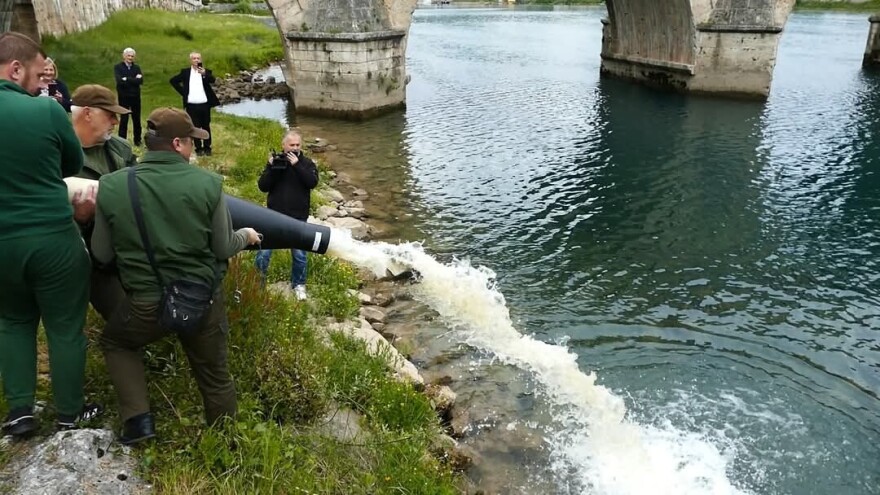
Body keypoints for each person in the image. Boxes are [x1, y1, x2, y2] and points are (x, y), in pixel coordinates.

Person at [92, 107, 261, 445]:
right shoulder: (208, 184)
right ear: (178, 143)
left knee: (117, 342)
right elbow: (222, 247)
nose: (194, 148)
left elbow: (101, 254)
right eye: (192, 142)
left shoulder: (112, 185)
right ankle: (224, 441)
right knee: (214, 374)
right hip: (201, 300)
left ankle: (138, 422)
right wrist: (246, 235)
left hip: (145, 303)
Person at [0, 32, 102, 438]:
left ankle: (20, 412)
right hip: (51, 237)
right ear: (16, 69)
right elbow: (71, 162)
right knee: (64, 326)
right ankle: (69, 413)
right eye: (38, 73)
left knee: (12, 321)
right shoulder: (45, 110)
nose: (42, 82)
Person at [70, 84, 138, 320]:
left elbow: (138, 188)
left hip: (122, 246)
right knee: (124, 319)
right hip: (78, 252)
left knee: (143, 316)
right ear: (88, 113)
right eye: (110, 115)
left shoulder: (120, 148)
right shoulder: (55, 151)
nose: (115, 121)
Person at [255, 131, 319, 300]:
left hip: (298, 217)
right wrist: (271, 167)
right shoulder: (276, 162)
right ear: (284, 146)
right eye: (292, 145)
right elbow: (263, 186)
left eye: (298, 145)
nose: (295, 148)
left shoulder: (307, 163)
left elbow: (312, 182)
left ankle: (299, 285)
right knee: (263, 252)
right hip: (273, 216)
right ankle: (257, 284)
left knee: (299, 254)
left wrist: (297, 165)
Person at [168, 52, 219, 156]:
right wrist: (184, 92)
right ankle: (198, 148)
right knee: (195, 127)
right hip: (191, 105)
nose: (196, 60)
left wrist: (204, 74)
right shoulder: (185, 72)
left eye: (198, 58)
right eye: (194, 58)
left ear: (201, 60)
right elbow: (173, 81)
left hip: (204, 104)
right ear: (190, 60)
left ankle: (207, 147)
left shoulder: (206, 71)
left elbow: (213, 80)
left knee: (206, 126)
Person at [113, 47, 144, 146]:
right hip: (124, 97)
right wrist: (133, 80)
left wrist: (127, 79)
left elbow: (140, 81)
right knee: (124, 119)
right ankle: (122, 141)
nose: (130, 58)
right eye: (128, 56)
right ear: (124, 56)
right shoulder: (118, 67)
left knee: (136, 119)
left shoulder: (137, 68)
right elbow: (120, 81)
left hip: (135, 97)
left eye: (132, 56)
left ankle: (137, 140)